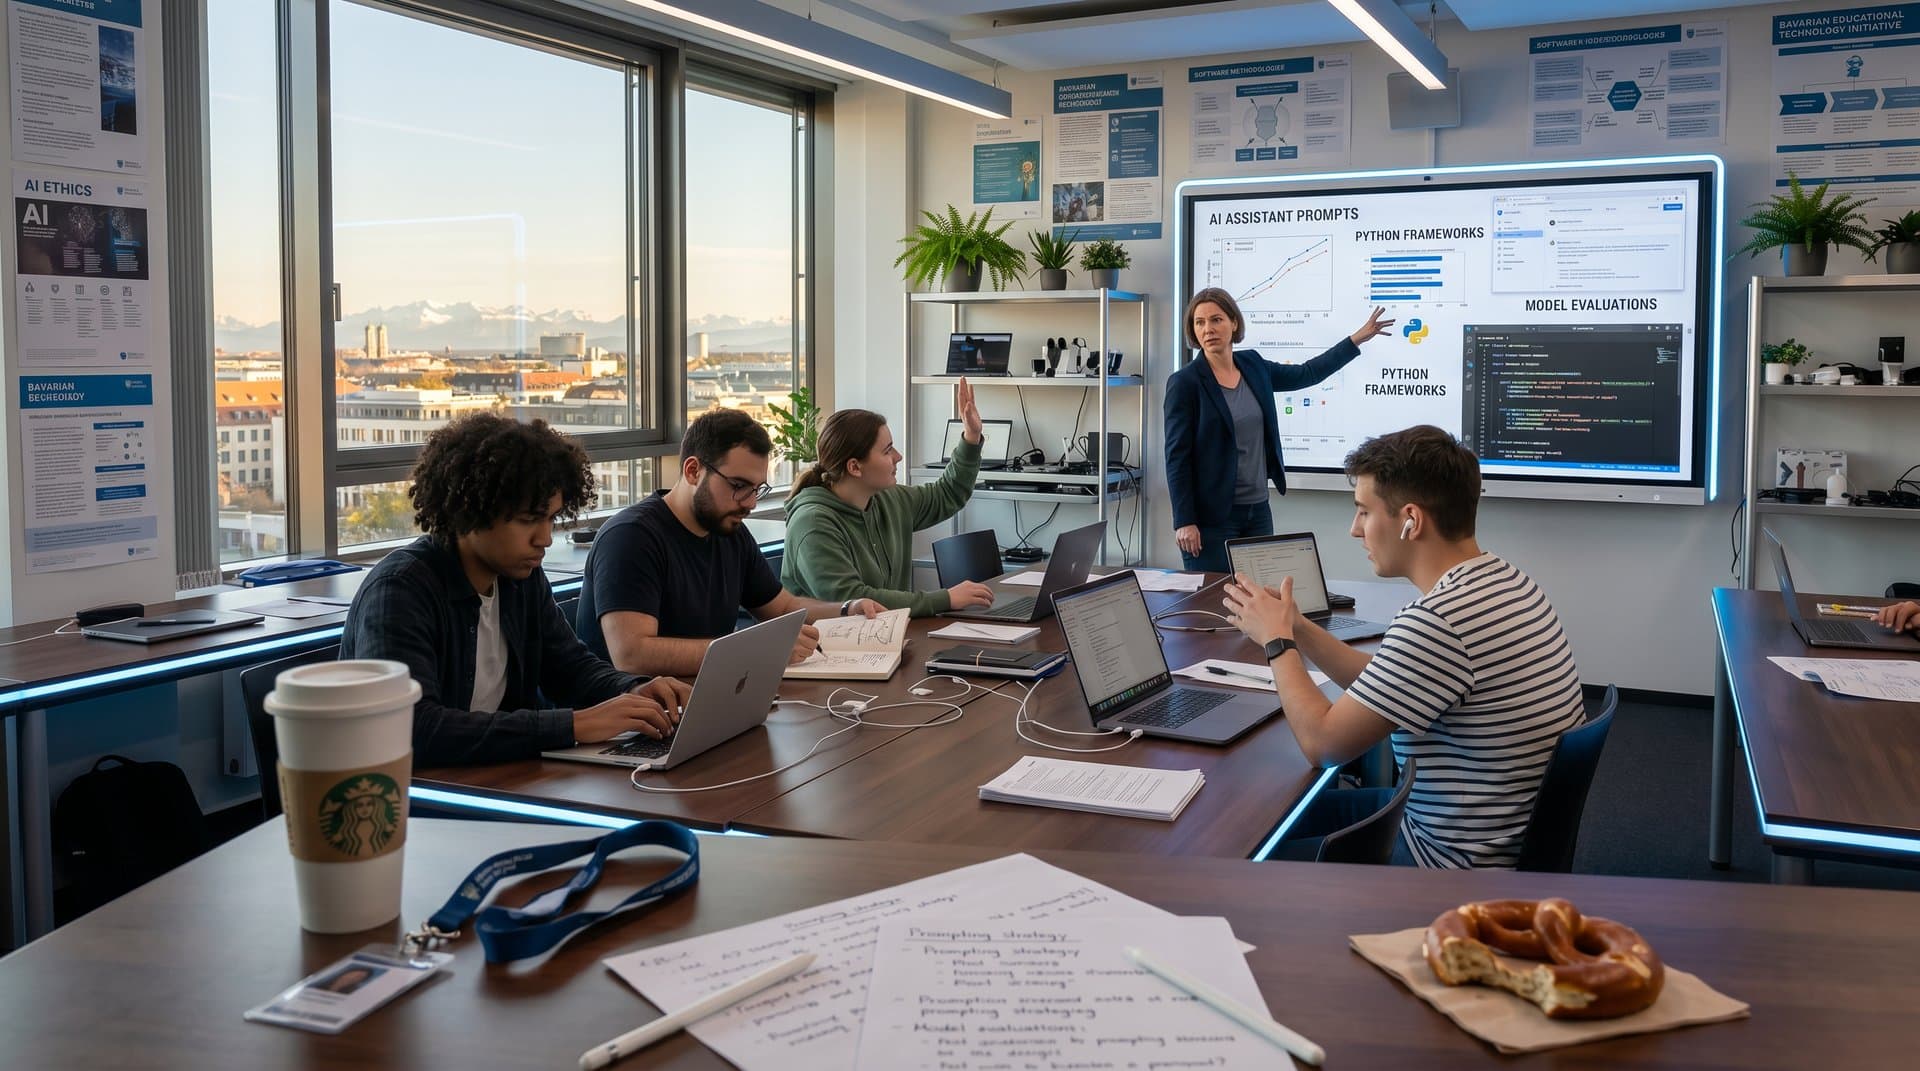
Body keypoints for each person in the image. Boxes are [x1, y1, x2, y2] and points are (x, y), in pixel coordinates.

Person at [1220, 425, 1585, 869]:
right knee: (1265, 820)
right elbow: (1387, 680)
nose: (1355, 530)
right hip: (1485, 838)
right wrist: (1297, 626)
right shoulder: (1505, 582)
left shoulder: (1440, 621)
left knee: (1232, 855)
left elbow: (1323, 744)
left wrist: (1278, 644)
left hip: (1448, 868)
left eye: (1363, 512)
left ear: (1410, 519)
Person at [341, 413, 691, 767]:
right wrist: (574, 724)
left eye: (551, 518)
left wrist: (633, 690)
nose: (544, 539)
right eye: (528, 520)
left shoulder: (520, 577)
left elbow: (569, 667)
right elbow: (414, 727)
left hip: (497, 776)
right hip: (414, 795)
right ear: (470, 509)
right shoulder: (400, 590)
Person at [577, 408, 884, 678]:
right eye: (738, 486)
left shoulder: (729, 530)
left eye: (756, 489)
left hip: (707, 698)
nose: (749, 502)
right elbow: (632, 655)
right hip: (633, 720)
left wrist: (847, 610)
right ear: (693, 471)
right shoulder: (631, 537)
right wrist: (756, 649)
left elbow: (783, 608)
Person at [1165, 287, 1395, 573]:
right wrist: (1184, 520)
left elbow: (1307, 373)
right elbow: (1177, 457)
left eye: (1216, 320)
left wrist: (1356, 339)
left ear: (1233, 323)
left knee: (1262, 596)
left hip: (1258, 510)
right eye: (1199, 323)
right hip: (1211, 519)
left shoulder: (1253, 365)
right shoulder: (1185, 383)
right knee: (1214, 604)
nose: (1208, 329)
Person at [782, 380, 996, 617]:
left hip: (885, 642)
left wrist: (971, 436)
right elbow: (852, 599)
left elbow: (947, 494)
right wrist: (945, 599)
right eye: (887, 450)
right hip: (829, 649)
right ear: (854, 467)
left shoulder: (889, 499)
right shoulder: (812, 523)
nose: (898, 456)